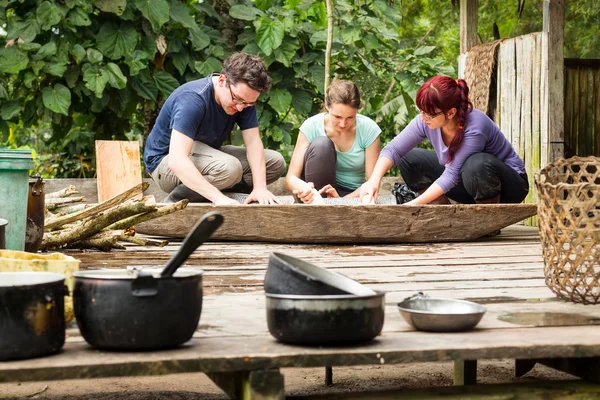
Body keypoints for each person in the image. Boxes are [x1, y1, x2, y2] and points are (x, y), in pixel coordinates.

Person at [360, 75, 529, 206]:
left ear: (450, 113)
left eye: (429, 114)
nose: (423, 118)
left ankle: (488, 221)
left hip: (507, 187)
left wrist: (411, 205)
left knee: (476, 164)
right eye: (422, 111)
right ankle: (442, 214)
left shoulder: (476, 126)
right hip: (467, 184)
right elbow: (394, 149)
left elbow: (451, 175)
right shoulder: (426, 120)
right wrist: (373, 181)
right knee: (409, 159)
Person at [144, 53, 286, 205]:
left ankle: (218, 191)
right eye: (236, 99)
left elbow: (253, 143)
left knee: (275, 162)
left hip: (206, 155)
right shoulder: (192, 99)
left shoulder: (244, 99)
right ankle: (176, 199)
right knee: (230, 168)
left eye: (247, 103)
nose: (240, 107)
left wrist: (260, 188)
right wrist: (218, 199)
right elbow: (177, 160)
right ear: (222, 80)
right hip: (164, 163)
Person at [285, 80, 381, 204]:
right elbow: (290, 178)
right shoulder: (311, 126)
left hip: (353, 194)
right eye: (337, 117)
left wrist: (341, 201)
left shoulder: (369, 129)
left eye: (350, 117)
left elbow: (371, 182)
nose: (343, 124)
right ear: (327, 106)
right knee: (322, 145)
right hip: (316, 192)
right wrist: (306, 190)